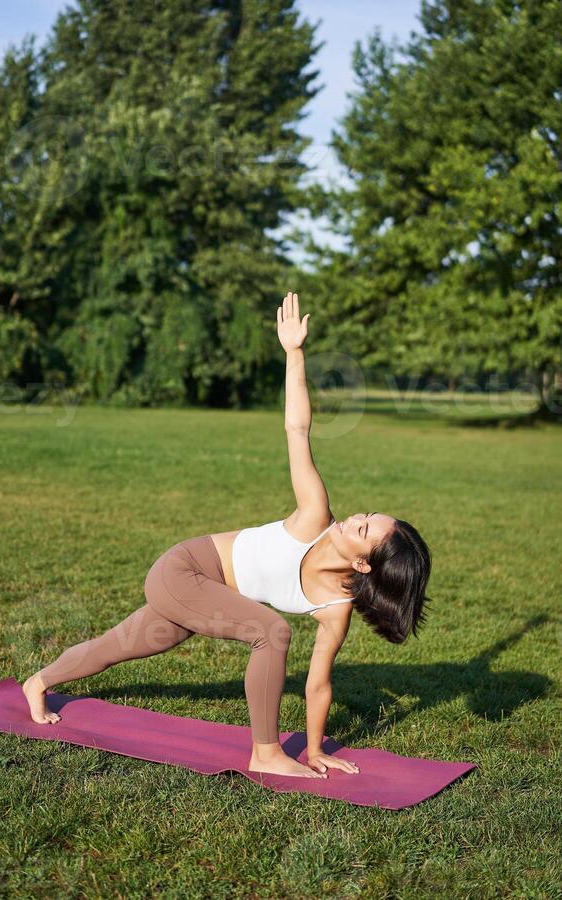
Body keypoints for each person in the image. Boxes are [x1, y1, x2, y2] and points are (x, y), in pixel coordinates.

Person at [22, 292, 431, 779]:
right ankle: (266, 752)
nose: (352, 519)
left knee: (121, 644)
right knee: (271, 631)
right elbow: (297, 429)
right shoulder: (315, 515)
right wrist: (294, 353)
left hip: (206, 596)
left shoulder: (335, 608)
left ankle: (39, 680)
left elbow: (319, 685)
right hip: (185, 569)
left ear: (364, 564)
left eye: (363, 528)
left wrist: (317, 749)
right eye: (364, 513)